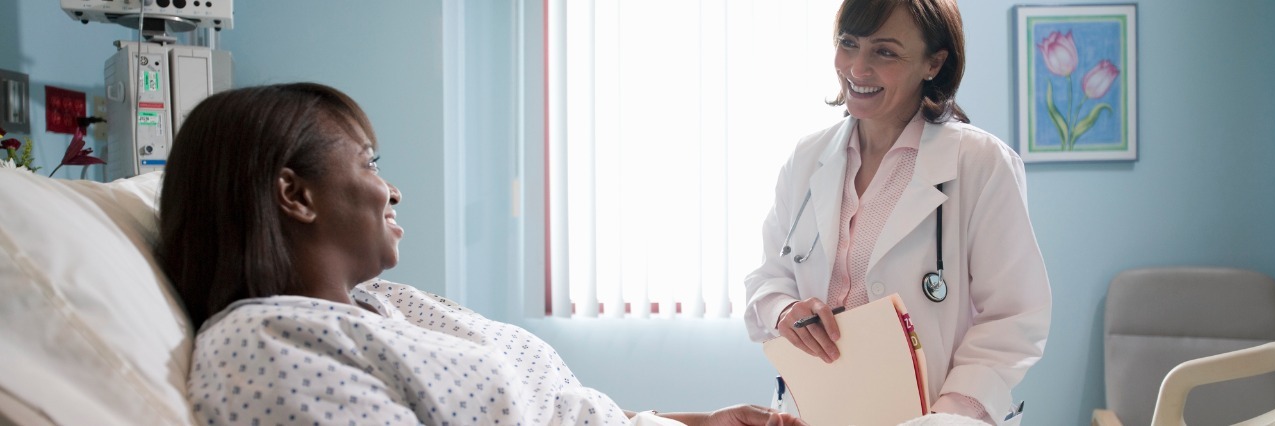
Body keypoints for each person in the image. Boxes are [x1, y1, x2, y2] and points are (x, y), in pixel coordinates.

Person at [158, 82, 804, 426]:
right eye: (370, 163)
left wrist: (696, 424)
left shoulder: (388, 306)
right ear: (295, 195)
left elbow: (551, 412)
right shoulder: (266, 345)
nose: (393, 189)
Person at [743, 0, 1051, 424]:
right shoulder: (808, 157)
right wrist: (781, 310)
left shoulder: (980, 163)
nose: (857, 68)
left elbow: (1015, 317)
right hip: (815, 411)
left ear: (934, 63)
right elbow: (768, 278)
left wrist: (951, 414)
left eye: (885, 51)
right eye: (848, 43)